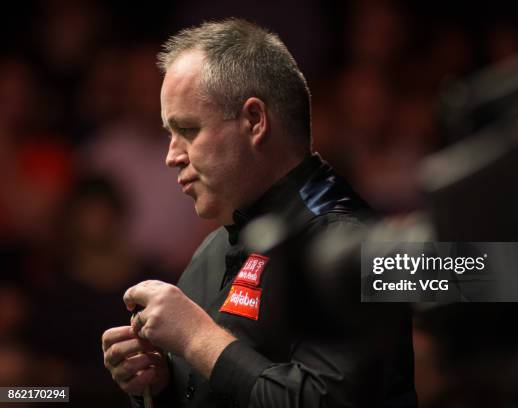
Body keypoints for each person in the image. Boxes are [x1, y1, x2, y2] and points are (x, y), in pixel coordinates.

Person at [102, 18, 416, 407]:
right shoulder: (213, 249)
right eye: (169, 134)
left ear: (254, 121)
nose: (172, 156)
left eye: (188, 130)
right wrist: (158, 383)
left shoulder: (345, 237)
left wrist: (198, 340)